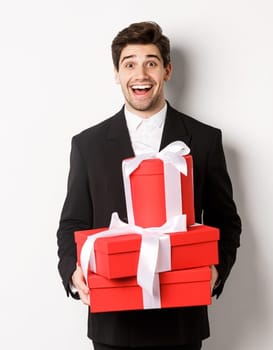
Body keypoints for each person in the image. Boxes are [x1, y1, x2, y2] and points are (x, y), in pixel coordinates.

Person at [55, 21, 242, 350]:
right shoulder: (87, 145)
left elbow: (226, 221)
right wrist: (73, 272)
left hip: (181, 322)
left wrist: (215, 271)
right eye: (130, 64)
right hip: (113, 323)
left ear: (167, 70)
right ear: (117, 73)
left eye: (151, 63)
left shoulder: (204, 140)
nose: (141, 74)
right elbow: (72, 223)